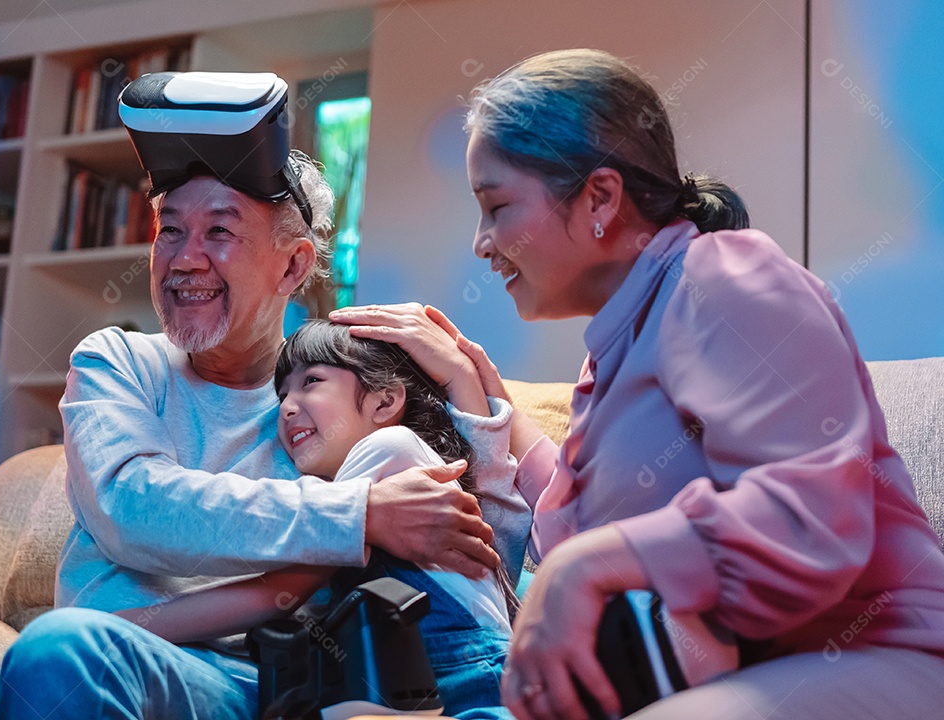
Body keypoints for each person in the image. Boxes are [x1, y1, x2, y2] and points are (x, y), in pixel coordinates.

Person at [0, 71, 529, 720]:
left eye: (219, 231)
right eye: (170, 229)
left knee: (65, 646)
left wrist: (470, 392)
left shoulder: (326, 406)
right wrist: (354, 516)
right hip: (75, 662)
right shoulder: (117, 360)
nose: (183, 259)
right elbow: (130, 505)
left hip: (240, 682)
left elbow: (471, 566)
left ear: (293, 264)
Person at [330, 48, 944, 720]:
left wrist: (586, 564)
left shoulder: (721, 277)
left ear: (600, 196)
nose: (482, 242)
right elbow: (570, 517)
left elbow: (813, 522)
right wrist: (476, 380)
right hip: (729, 671)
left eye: (496, 205)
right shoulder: (616, 350)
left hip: (873, 653)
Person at [115, 319, 520, 718]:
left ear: (384, 401)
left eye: (311, 381)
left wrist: (129, 626)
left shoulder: (386, 448)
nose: (288, 408)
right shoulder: (369, 481)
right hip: (416, 686)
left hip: (471, 674)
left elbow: (277, 593)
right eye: (281, 395)